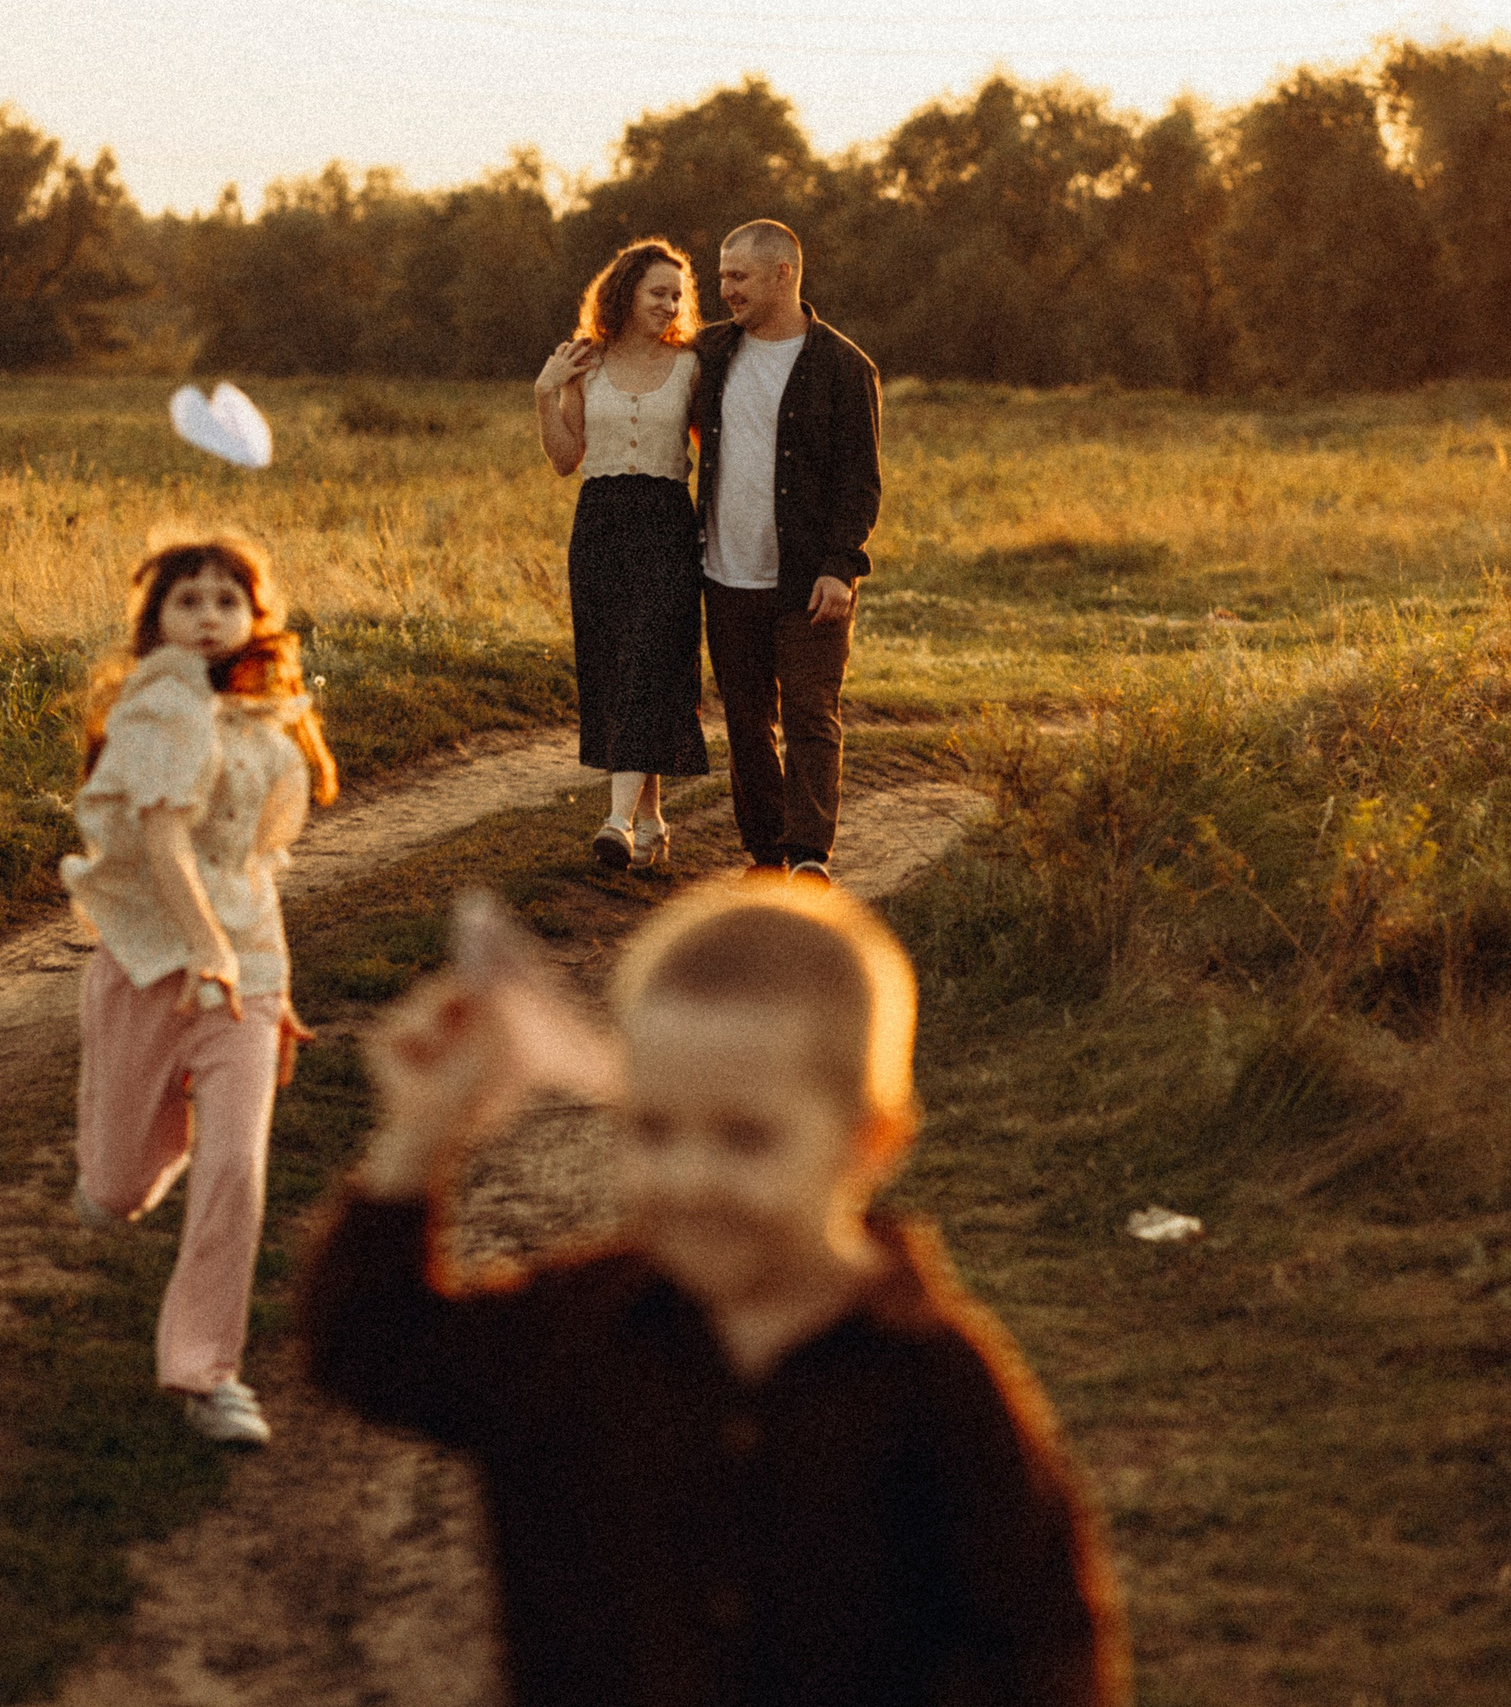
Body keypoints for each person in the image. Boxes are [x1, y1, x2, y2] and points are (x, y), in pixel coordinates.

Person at [304, 879, 1132, 1706]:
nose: (691, 1179)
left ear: (867, 1142)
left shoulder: (933, 1380)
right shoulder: (575, 1333)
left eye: (745, 1137)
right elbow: (367, 1344)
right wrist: (418, 1135)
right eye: (653, 1129)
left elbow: (1046, 1647)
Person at [61, 531, 338, 1446]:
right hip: (152, 967)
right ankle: (115, 1177)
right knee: (119, 1181)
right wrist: (205, 950)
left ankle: (205, 1370)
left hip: (243, 980)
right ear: (156, 621)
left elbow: (253, 867)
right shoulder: (159, 710)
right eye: (189, 600)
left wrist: (264, 979)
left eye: (227, 598)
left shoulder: (267, 717)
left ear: (257, 615)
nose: (210, 615)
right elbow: (169, 844)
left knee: (234, 1170)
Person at [693, 219, 882, 880]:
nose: (725, 290)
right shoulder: (710, 354)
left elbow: (860, 482)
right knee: (746, 724)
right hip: (724, 572)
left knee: (809, 715)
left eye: (737, 276)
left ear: (783, 274)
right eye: (721, 277)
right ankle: (766, 852)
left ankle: (808, 855)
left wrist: (840, 566)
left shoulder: (844, 366)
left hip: (808, 579)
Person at [535, 238, 712, 870]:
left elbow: (712, 448)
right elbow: (564, 460)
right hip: (600, 523)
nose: (671, 304)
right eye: (658, 292)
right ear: (626, 293)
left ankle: (615, 821)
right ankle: (653, 822)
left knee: (648, 661)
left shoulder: (694, 365)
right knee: (618, 668)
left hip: (667, 522)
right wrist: (545, 394)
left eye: (677, 294)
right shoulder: (587, 361)